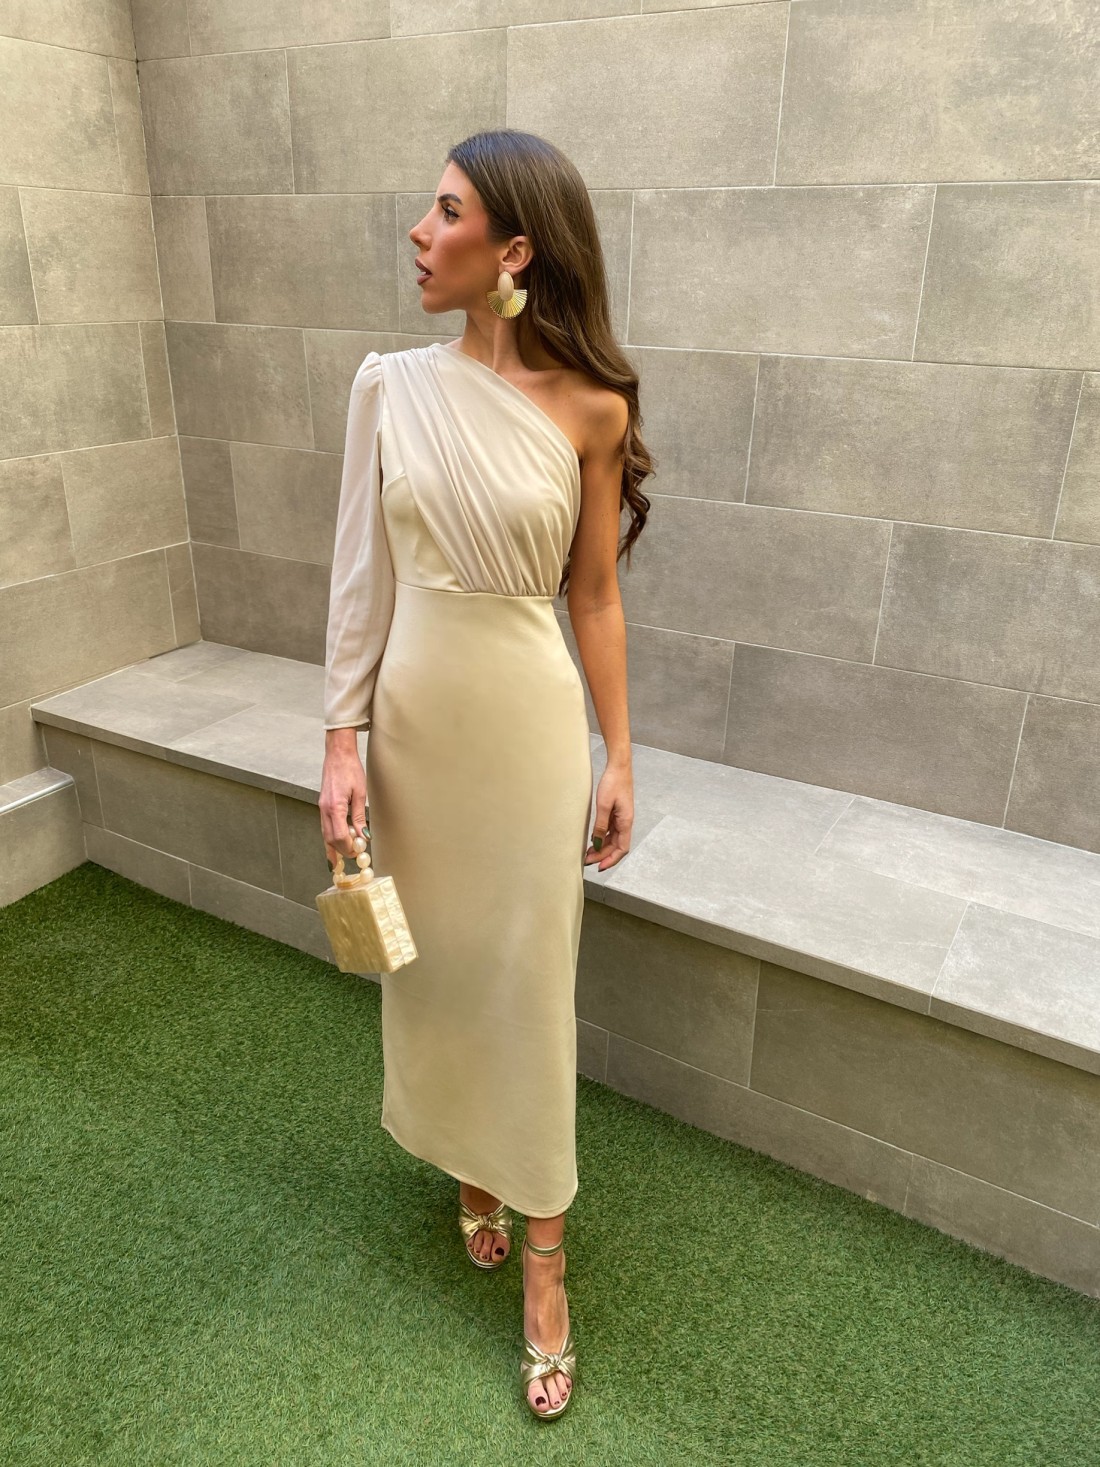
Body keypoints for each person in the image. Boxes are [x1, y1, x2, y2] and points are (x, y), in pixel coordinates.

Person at [318, 128, 652, 1420]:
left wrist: (621, 752)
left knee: (530, 982)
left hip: (526, 733)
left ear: (513, 249)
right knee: (443, 966)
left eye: (446, 210)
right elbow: (362, 576)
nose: (419, 231)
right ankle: (469, 1160)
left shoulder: (592, 408)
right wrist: (339, 737)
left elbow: (595, 597)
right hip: (415, 735)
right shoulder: (388, 388)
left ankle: (547, 1262)